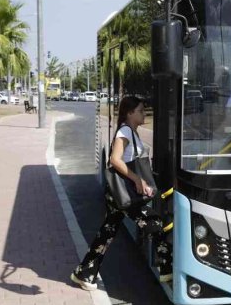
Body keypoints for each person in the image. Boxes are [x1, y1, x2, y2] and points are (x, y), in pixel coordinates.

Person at [70, 95, 171, 290]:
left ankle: (84, 273)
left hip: (119, 193)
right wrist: (138, 179)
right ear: (130, 113)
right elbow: (115, 160)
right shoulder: (125, 131)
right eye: (140, 111)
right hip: (123, 193)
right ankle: (166, 268)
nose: (144, 114)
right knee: (156, 223)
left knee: (107, 232)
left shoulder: (131, 132)